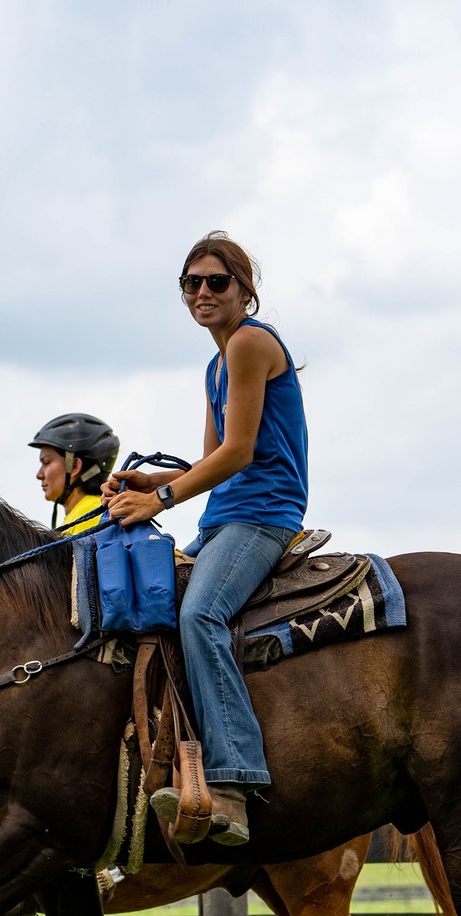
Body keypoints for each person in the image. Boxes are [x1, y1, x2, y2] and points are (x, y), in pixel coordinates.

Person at [104, 231, 308, 846]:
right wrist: (153, 481)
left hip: (263, 515)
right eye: (190, 284)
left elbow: (241, 453)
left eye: (216, 281)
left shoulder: (250, 343)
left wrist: (159, 500)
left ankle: (234, 779)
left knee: (201, 614)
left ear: (246, 290)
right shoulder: (216, 365)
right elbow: (212, 461)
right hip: (223, 518)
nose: (202, 293)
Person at [29, 413, 118, 536]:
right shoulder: (78, 515)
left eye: (46, 462)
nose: (39, 475)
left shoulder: (89, 513)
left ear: (74, 466)